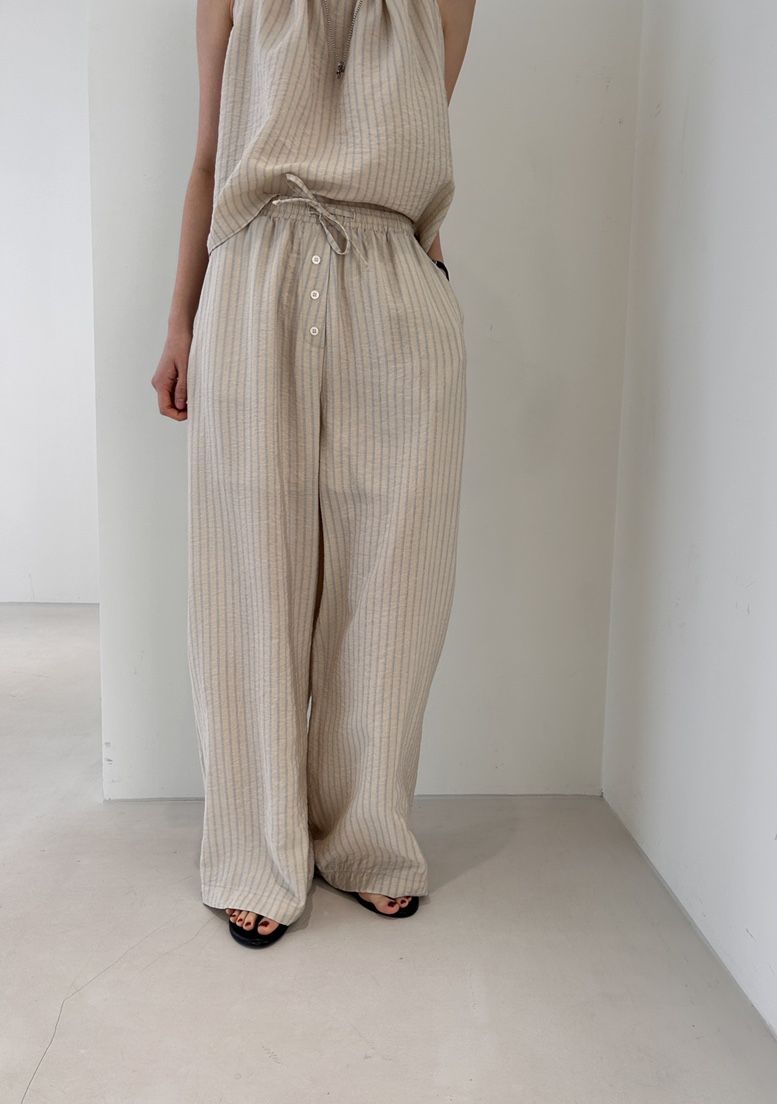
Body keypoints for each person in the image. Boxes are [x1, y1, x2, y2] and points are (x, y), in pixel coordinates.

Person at [152, 0, 476, 948]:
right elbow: (210, 159)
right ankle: (256, 848)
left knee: (395, 588)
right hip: (254, 278)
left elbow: (422, 157)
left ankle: (367, 837)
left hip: (396, 290)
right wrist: (180, 322)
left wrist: (434, 288)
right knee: (248, 582)